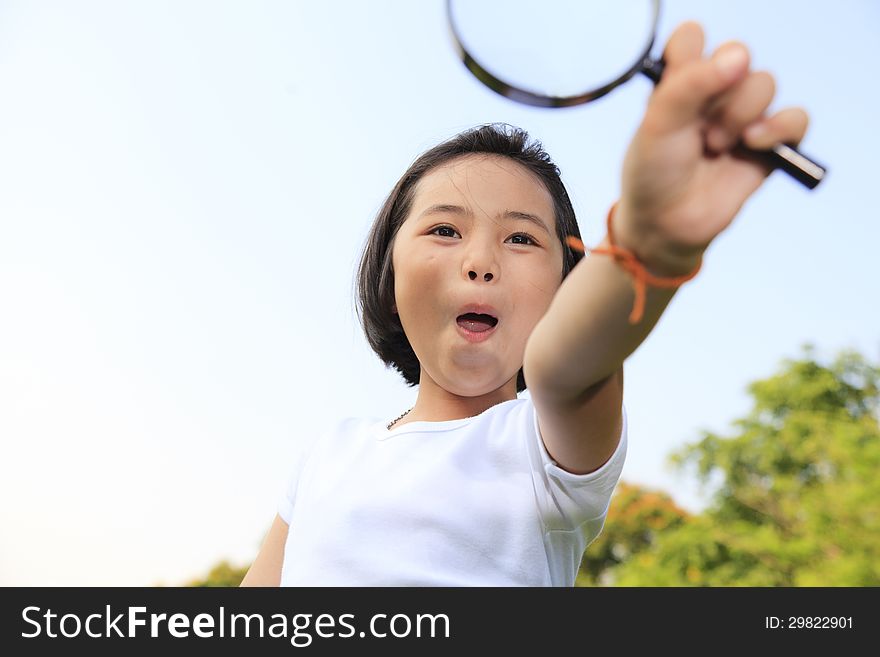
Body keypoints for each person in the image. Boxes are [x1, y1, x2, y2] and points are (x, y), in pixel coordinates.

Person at [240, 21, 809, 586]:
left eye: (521, 238)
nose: (481, 260)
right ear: (389, 281)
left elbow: (569, 367)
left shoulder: (541, 444)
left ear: (567, 292)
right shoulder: (328, 455)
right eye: (444, 230)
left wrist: (647, 247)